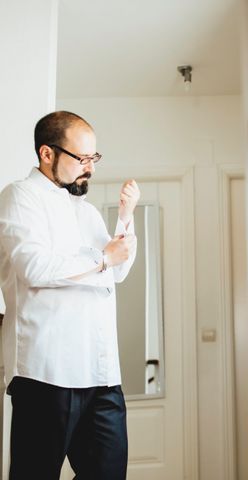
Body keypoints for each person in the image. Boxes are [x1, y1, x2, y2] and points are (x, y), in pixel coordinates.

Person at [0, 111, 140, 479]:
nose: (89, 168)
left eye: (94, 158)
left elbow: (117, 270)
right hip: (48, 374)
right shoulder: (20, 196)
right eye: (81, 159)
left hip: (102, 374)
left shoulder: (88, 212)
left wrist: (125, 219)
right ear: (47, 154)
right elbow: (35, 267)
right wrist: (100, 259)